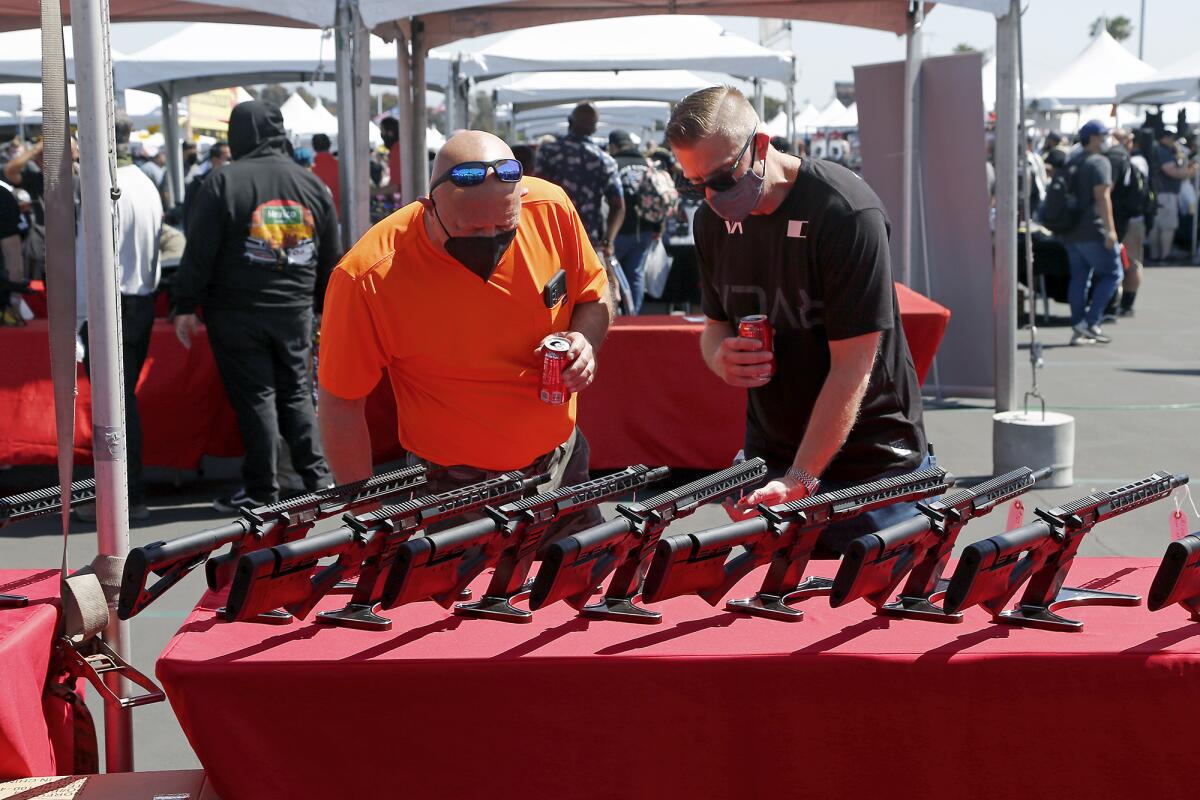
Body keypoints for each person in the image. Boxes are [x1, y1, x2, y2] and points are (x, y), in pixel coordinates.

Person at [665, 85, 929, 555]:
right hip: (775, 462)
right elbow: (715, 326)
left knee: (866, 617)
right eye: (693, 183)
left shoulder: (844, 211)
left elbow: (854, 366)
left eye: (723, 177)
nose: (710, 195)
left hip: (872, 468)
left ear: (760, 146)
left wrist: (802, 478)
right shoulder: (710, 224)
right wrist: (721, 358)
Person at [317, 130, 610, 541]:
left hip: (562, 465)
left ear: (521, 199)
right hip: (452, 489)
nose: (489, 242)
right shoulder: (369, 275)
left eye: (504, 227)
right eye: (470, 230)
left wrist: (584, 342)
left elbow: (594, 297)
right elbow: (341, 403)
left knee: (581, 590)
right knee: (463, 604)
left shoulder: (550, 208)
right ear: (428, 208)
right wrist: (366, 516)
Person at [173, 100, 339, 511]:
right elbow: (332, 256)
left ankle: (264, 491)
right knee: (296, 393)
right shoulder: (312, 185)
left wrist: (183, 304)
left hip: (236, 312)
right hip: (294, 310)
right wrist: (324, 307)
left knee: (258, 398)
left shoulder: (223, 182)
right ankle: (319, 481)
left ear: (238, 135)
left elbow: (200, 253)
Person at [74, 114, 163, 521]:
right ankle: (128, 494)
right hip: (138, 298)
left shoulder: (107, 188)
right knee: (122, 401)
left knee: (115, 405)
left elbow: (88, 256)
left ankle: (123, 497)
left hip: (113, 301)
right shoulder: (145, 183)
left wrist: (79, 317)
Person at [535, 103, 625, 264]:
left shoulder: (548, 152)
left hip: (550, 239)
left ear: (570, 122)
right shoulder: (604, 160)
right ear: (594, 128)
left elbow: (535, 193)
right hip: (589, 243)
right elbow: (618, 205)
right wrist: (609, 241)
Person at [1058, 120, 1122, 346]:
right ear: (1094, 138)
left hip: (1070, 230)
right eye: (1103, 135)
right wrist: (1110, 230)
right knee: (1113, 273)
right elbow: (1102, 196)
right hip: (1092, 229)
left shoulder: (1073, 161)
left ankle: (1079, 325)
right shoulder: (1098, 162)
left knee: (1079, 278)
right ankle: (1091, 321)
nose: (1106, 139)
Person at [608, 129, 675, 313]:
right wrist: (658, 228)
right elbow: (659, 198)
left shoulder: (612, 165)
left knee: (609, 276)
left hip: (617, 233)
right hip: (645, 231)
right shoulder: (647, 164)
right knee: (636, 274)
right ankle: (634, 316)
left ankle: (613, 316)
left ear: (614, 146)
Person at [1149, 127, 1198, 263]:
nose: (1173, 142)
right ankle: (1164, 255)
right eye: (1171, 138)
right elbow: (1172, 171)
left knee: (1157, 226)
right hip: (1166, 194)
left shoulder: (1161, 149)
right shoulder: (1162, 151)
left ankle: (1156, 255)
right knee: (1167, 225)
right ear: (1165, 138)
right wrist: (1191, 172)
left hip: (1161, 193)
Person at [183, 140, 229, 234]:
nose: (230, 162)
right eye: (227, 158)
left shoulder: (235, 182)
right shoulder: (198, 184)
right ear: (215, 159)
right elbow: (190, 217)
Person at [311, 132, 340, 213]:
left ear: (313, 147)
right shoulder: (342, 167)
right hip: (342, 215)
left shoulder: (310, 170)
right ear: (329, 145)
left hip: (321, 216)